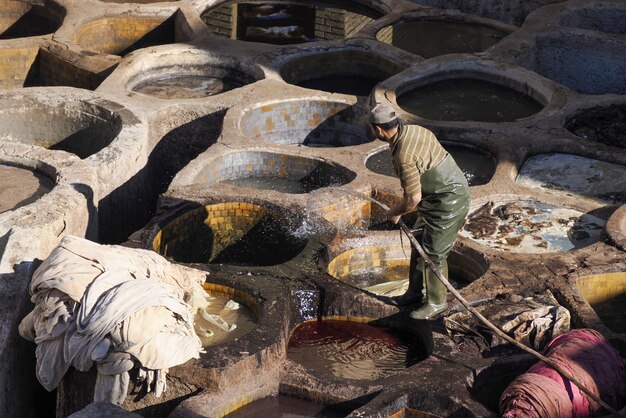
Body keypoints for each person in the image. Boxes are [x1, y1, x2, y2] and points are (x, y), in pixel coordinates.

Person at [369, 102, 471, 320]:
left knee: (434, 253)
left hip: (448, 201)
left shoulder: (404, 155)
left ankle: (437, 302)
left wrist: (396, 212)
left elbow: (413, 199)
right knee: (418, 240)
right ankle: (414, 293)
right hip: (437, 197)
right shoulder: (416, 130)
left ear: (378, 130)